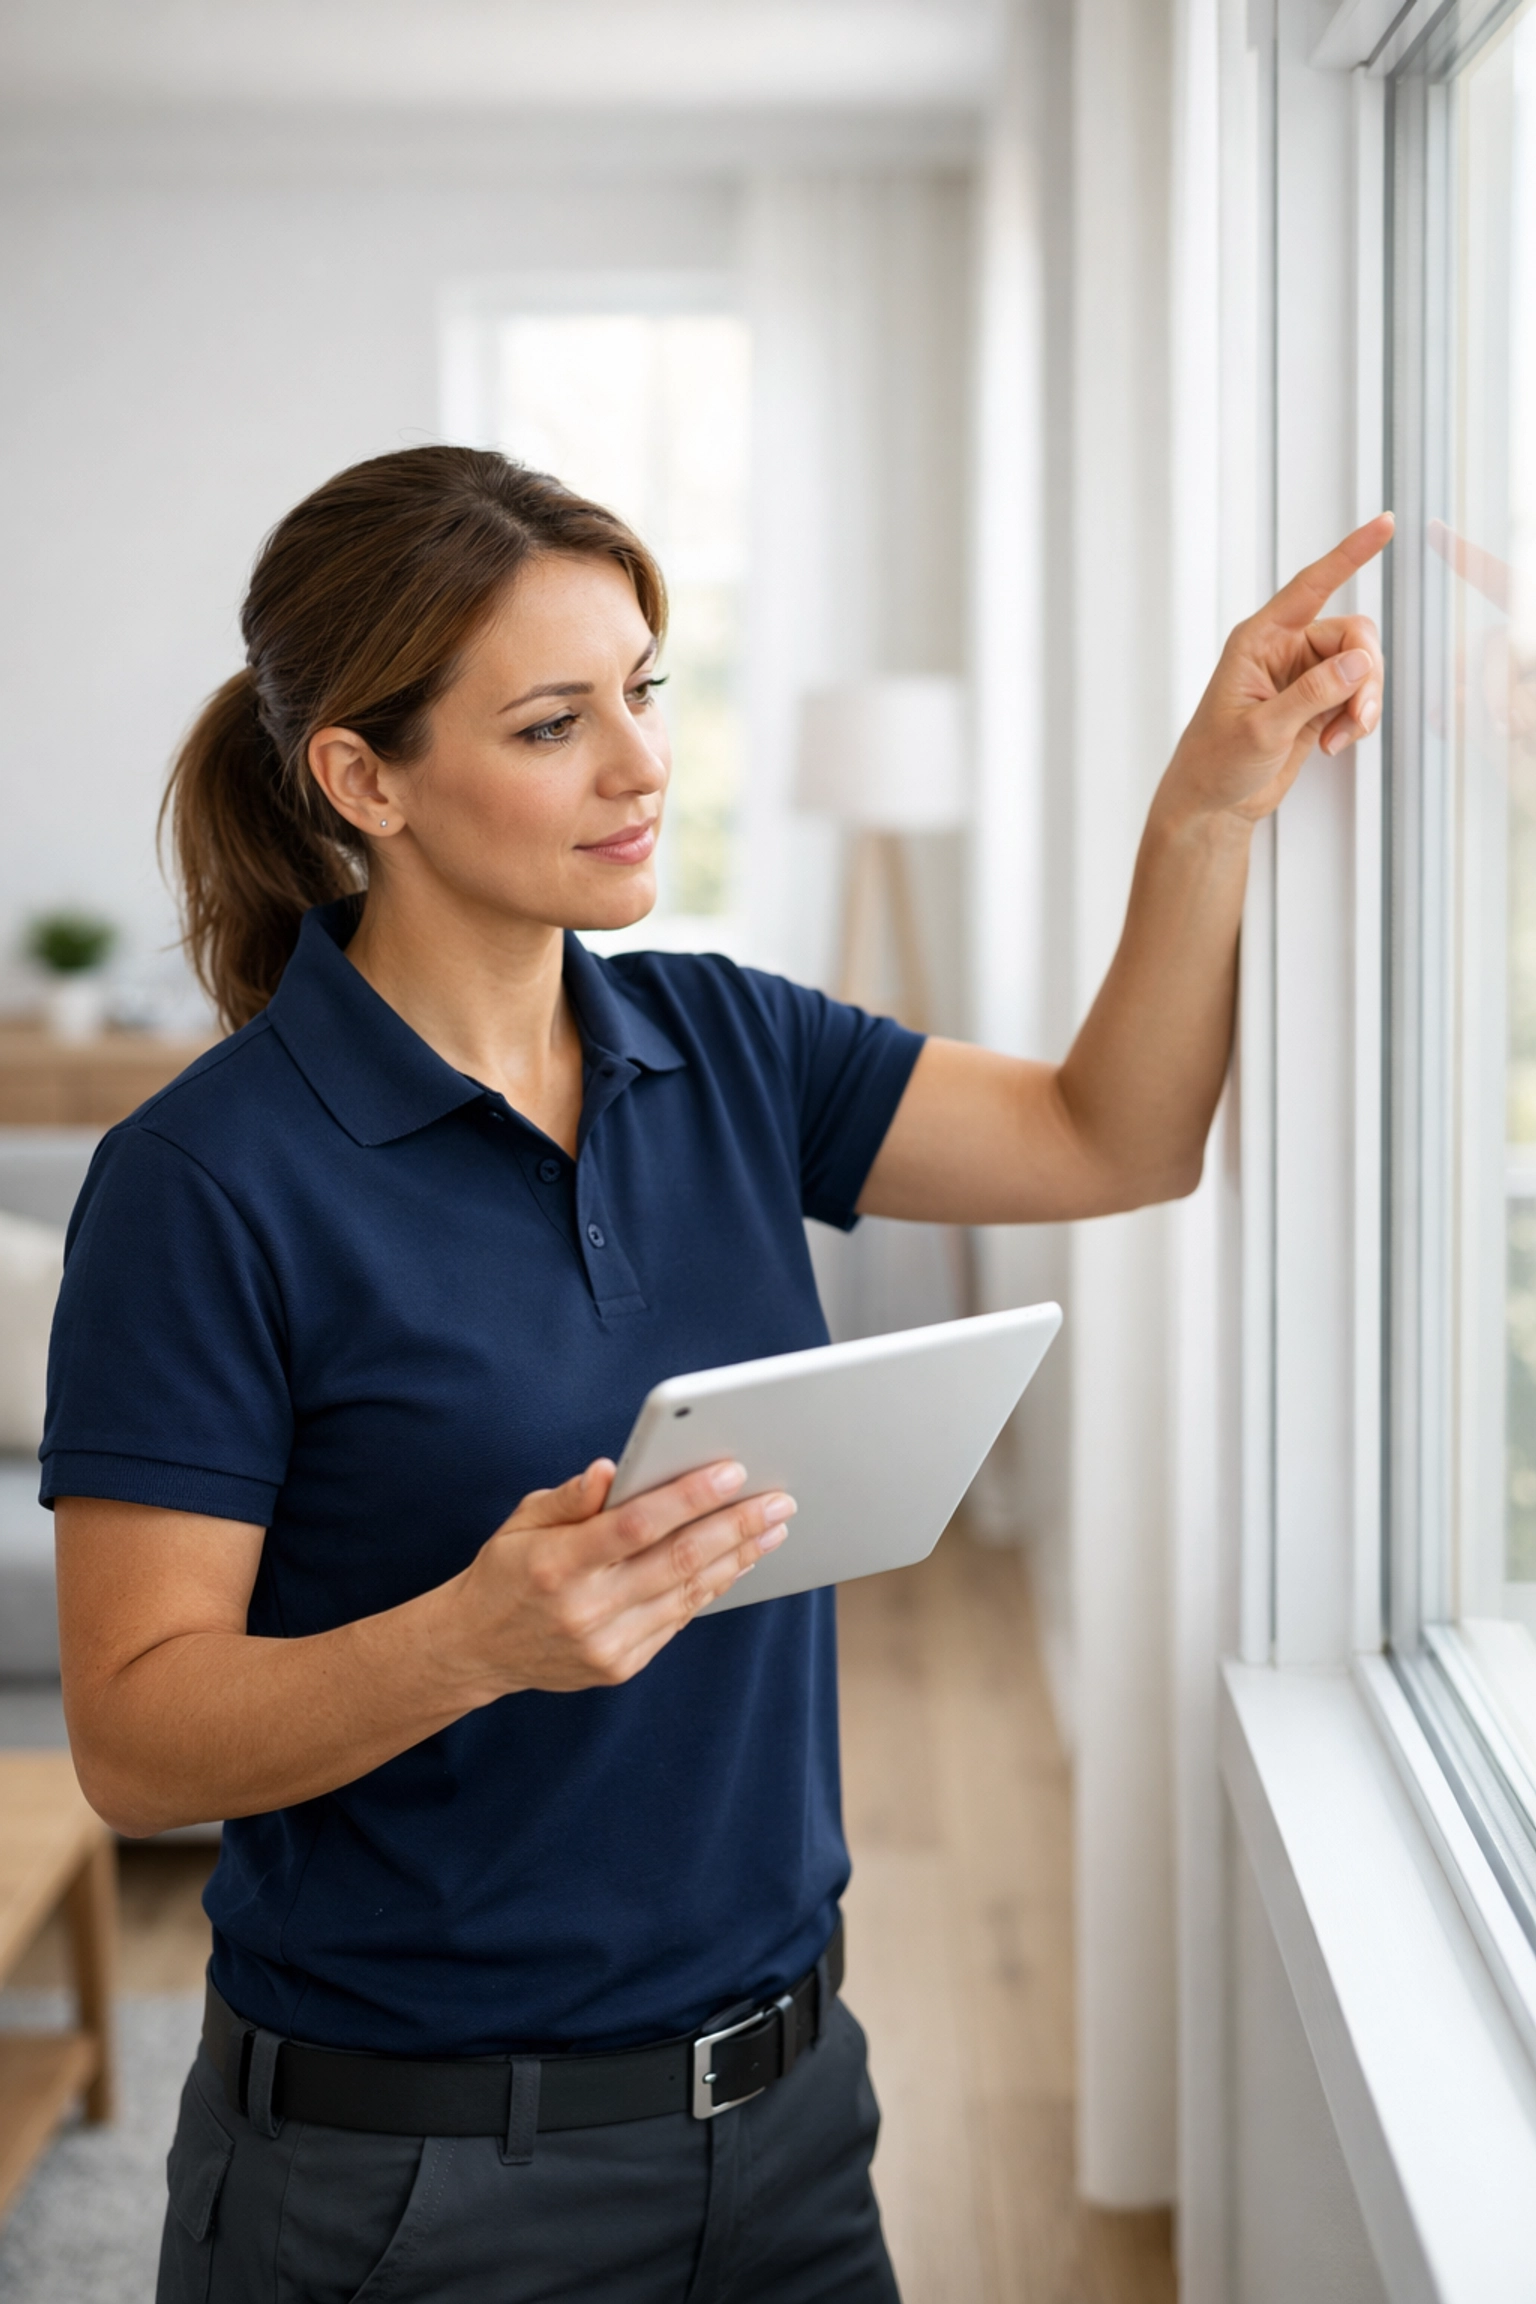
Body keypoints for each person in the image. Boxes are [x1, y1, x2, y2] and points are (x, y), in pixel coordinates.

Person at [46, 447, 1389, 2304]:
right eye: (550, 723)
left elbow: (1112, 1139)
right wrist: (475, 1638)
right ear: (367, 779)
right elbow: (130, 1733)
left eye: (647, 691)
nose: (641, 762)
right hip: (407, 2186)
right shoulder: (204, 1184)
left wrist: (1210, 811)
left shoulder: (729, 1042)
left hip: (787, 2124)